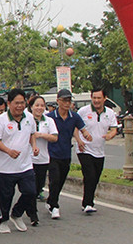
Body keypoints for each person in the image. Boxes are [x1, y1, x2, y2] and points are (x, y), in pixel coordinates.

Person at [0, 88, 38, 234]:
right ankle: (3, 220)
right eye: (16, 103)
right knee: (6, 197)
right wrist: (8, 151)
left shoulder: (29, 118)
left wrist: (34, 146)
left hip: (25, 165)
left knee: (31, 192)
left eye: (22, 103)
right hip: (6, 167)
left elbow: (32, 134)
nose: (19, 106)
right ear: (9, 103)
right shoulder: (0, 120)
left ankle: (17, 214)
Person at [45, 89, 91, 219]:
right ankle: (54, 206)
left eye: (69, 100)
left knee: (60, 181)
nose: (67, 103)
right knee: (55, 179)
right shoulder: (50, 117)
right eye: (64, 100)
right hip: (52, 153)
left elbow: (82, 128)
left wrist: (85, 135)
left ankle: (50, 200)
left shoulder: (74, 116)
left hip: (65, 154)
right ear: (58, 101)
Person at [76, 88, 118, 213]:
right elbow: (75, 127)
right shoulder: (83, 111)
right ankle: (87, 203)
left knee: (95, 177)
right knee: (90, 175)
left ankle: (88, 201)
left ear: (104, 98)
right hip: (84, 149)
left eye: (99, 98)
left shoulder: (109, 113)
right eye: (94, 98)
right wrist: (79, 140)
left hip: (99, 150)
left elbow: (114, 128)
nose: (96, 100)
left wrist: (111, 135)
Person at [28, 94, 58, 226]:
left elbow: (54, 137)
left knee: (38, 186)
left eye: (42, 105)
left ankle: (28, 208)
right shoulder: (26, 120)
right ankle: (33, 213)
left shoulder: (49, 121)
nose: (39, 108)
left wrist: (41, 135)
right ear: (31, 107)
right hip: (28, 160)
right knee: (30, 188)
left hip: (43, 159)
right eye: (37, 105)